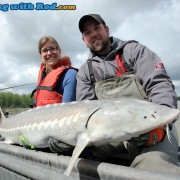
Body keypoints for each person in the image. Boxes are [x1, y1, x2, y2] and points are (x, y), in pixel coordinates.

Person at [75, 14, 180, 174]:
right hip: (109, 131)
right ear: (84, 40)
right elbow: (86, 112)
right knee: (79, 158)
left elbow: (159, 84)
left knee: (153, 167)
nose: (93, 33)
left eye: (97, 28)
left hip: (148, 126)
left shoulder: (134, 51)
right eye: (87, 32)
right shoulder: (85, 71)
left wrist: (159, 125)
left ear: (107, 30)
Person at [32, 36, 77, 153]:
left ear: (59, 51)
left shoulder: (70, 75)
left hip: (55, 139)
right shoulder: (43, 75)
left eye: (53, 48)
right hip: (37, 132)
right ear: (40, 55)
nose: (49, 53)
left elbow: (67, 116)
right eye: (45, 50)